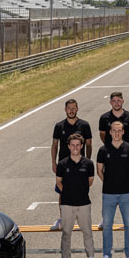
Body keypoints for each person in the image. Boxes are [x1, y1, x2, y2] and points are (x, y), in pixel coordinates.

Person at [96, 120, 129, 258]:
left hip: (126, 193)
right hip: (108, 194)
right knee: (107, 225)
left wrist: (124, 182)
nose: (117, 133)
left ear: (123, 132)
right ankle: (107, 256)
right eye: (114, 130)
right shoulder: (103, 149)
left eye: (119, 130)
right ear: (110, 132)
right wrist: (109, 183)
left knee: (128, 225)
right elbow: (99, 171)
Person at [54, 133, 97, 258]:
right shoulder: (62, 164)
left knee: (87, 233)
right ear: (68, 146)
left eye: (78, 145)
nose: (75, 147)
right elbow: (59, 182)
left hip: (84, 203)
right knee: (66, 233)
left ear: (82, 146)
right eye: (72, 145)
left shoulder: (88, 164)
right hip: (67, 204)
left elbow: (90, 182)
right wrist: (67, 194)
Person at [50, 98, 93, 230]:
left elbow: (89, 144)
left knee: (82, 191)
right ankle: (64, 218)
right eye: (69, 108)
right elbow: (55, 145)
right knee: (62, 193)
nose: (71, 110)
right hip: (64, 165)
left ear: (77, 109)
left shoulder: (84, 125)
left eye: (74, 108)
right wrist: (53, 162)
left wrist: (87, 161)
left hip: (80, 165)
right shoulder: (59, 126)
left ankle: (81, 219)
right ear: (65, 110)